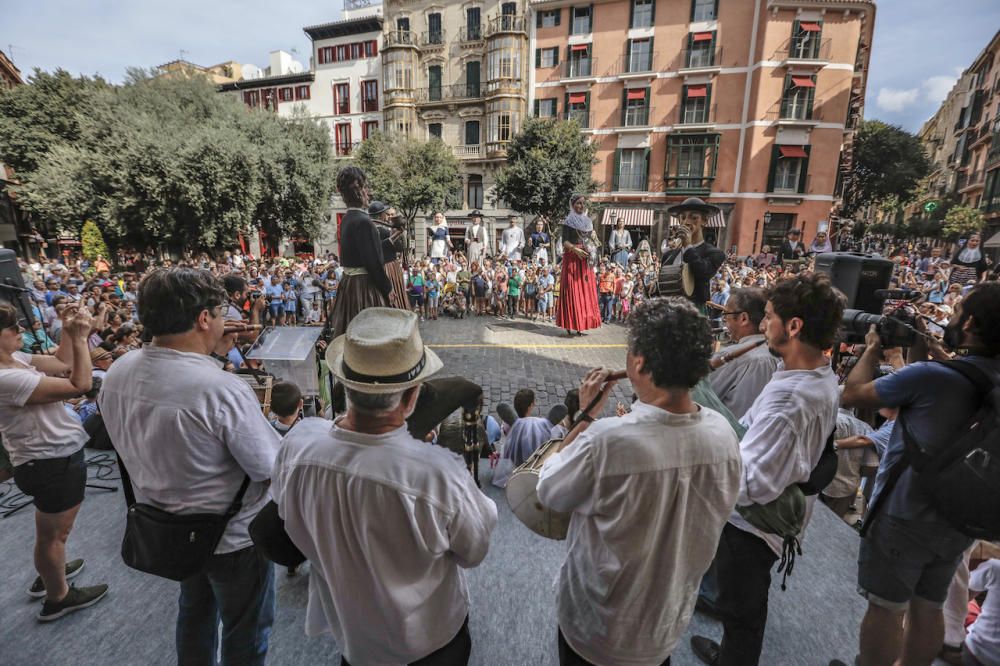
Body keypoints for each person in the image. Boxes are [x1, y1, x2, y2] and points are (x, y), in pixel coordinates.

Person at [271, 307, 498, 665]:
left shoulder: (298, 446)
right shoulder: (437, 473)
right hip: (431, 642)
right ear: (411, 398)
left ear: (344, 384)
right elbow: (474, 551)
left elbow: (287, 514)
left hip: (355, 642)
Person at [538, 297, 742, 665]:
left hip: (596, 627)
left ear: (639, 362)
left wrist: (584, 416)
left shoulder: (606, 440)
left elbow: (548, 489)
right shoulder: (724, 435)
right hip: (664, 625)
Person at [100, 268, 280, 664]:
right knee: (245, 631)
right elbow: (269, 466)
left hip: (168, 527)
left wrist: (209, 353)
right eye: (219, 313)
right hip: (231, 539)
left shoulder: (118, 371)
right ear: (203, 319)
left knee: (195, 613)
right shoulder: (218, 388)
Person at [840, 282, 1000, 666]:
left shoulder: (931, 377)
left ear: (971, 323)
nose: (955, 317)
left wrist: (875, 347)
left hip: (904, 513)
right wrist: (932, 351)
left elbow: (853, 393)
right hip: (959, 517)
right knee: (929, 606)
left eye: (959, 311)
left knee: (886, 608)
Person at [692, 272, 844, 666]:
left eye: (770, 316)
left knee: (742, 610)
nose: (762, 324)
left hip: (751, 527)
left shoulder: (790, 401)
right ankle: (729, 653)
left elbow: (751, 483)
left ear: (794, 327)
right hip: (768, 516)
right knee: (740, 605)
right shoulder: (814, 373)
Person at [0, 302, 109, 621]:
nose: (21, 331)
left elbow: (62, 361)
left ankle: (52, 573)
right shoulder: (5, 378)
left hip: (49, 458)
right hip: (49, 460)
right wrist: (79, 337)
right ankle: (57, 597)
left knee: (53, 533)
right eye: (13, 328)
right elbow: (79, 384)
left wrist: (68, 328)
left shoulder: (16, 359)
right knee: (53, 536)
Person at [328, 166, 395, 337]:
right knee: (370, 335)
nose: (368, 192)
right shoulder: (364, 222)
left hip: (349, 284)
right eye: (365, 187)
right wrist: (388, 289)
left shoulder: (347, 219)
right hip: (364, 287)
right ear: (358, 191)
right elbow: (373, 263)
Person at [707, 288, 779, 420]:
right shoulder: (780, 354)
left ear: (743, 318)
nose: (725, 322)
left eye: (726, 315)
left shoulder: (730, 357)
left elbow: (698, 400)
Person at [660, 198, 726, 314]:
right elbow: (665, 285)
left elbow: (703, 272)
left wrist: (688, 246)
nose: (687, 221)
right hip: (669, 312)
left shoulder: (715, 253)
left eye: (694, 217)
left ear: (704, 221)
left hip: (694, 311)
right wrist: (654, 287)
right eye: (683, 217)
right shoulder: (669, 255)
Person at [556, 194, 602, 336]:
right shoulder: (568, 221)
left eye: (583, 203)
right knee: (572, 290)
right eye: (578, 203)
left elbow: (592, 240)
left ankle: (582, 324)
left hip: (585, 260)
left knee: (585, 291)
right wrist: (575, 249)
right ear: (573, 205)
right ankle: (570, 323)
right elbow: (564, 241)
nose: (581, 206)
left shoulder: (588, 222)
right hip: (572, 258)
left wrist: (592, 249)